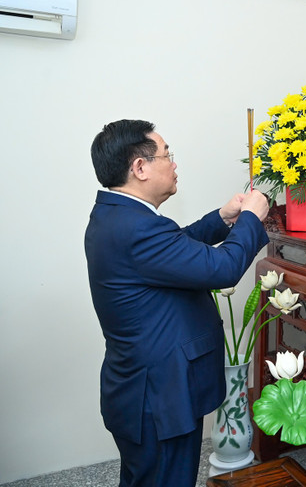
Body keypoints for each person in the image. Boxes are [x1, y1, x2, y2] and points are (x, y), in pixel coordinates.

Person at [84, 119, 270, 487]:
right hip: (159, 392)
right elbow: (223, 269)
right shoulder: (137, 227)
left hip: (148, 385)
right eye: (167, 154)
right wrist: (252, 216)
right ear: (140, 167)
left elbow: (174, 248)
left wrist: (222, 219)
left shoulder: (118, 216)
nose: (174, 164)